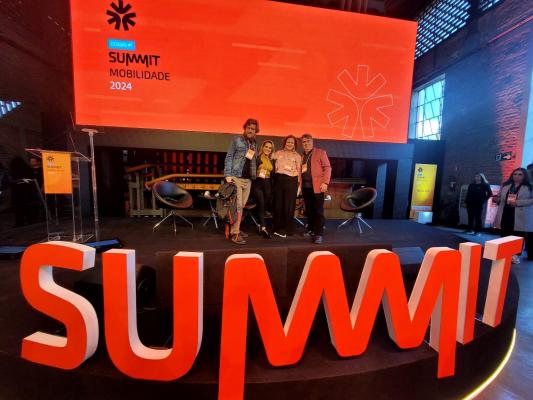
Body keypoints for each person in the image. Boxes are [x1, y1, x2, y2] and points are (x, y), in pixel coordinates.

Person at [223, 118, 258, 245]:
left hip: (248, 180)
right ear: (244, 128)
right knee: (237, 206)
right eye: (248, 128)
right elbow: (229, 156)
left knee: (241, 206)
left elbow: (253, 160)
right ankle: (235, 234)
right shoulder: (236, 140)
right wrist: (227, 174)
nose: (250, 130)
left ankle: (235, 227)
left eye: (253, 129)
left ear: (255, 131)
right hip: (236, 177)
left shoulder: (254, 143)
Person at [493, 168, 533, 264]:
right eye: (515, 174)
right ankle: (504, 253)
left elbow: (532, 200)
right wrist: (497, 199)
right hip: (505, 212)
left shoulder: (529, 187)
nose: (517, 176)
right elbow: (500, 197)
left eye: (520, 174)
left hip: (520, 213)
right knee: (505, 232)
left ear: (524, 176)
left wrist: (517, 202)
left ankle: (515, 255)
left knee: (518, 235)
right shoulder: (506, 186)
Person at [300, 134, 331, 244]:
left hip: (317, 187)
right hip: (305, 187)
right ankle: (311, 229)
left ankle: (319, 234)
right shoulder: (302, 156)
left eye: (308, 141)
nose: (306, 143)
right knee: (309, 210)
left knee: (318, 211)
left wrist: (325, 182)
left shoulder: (320, 152)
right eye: (304, 142)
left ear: (312, 142)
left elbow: (327, 168)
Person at [272, 135, 301, 238]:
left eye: (292, 142)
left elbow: (299, 172)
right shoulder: (277, 153)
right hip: (279, 180)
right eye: (288, 142)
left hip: (291, 181)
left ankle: (287, 229)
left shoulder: (297, 156)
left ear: (295, 145)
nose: (290, 144)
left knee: (288, 206)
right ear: (284, 143)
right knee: (278, 205)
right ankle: (277, 228)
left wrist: (299, 186)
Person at [253, 140, 275, 238]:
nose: (268, 149)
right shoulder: (257, 158)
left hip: (268, 184)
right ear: (263, 147)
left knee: (264, 206)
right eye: (266, 147)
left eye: (270, 148)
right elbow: (252, 172)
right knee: (261, 205)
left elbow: (273, 174)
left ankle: (259, 224)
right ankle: (263, 228)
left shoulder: (272, 160)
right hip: (258, 184)